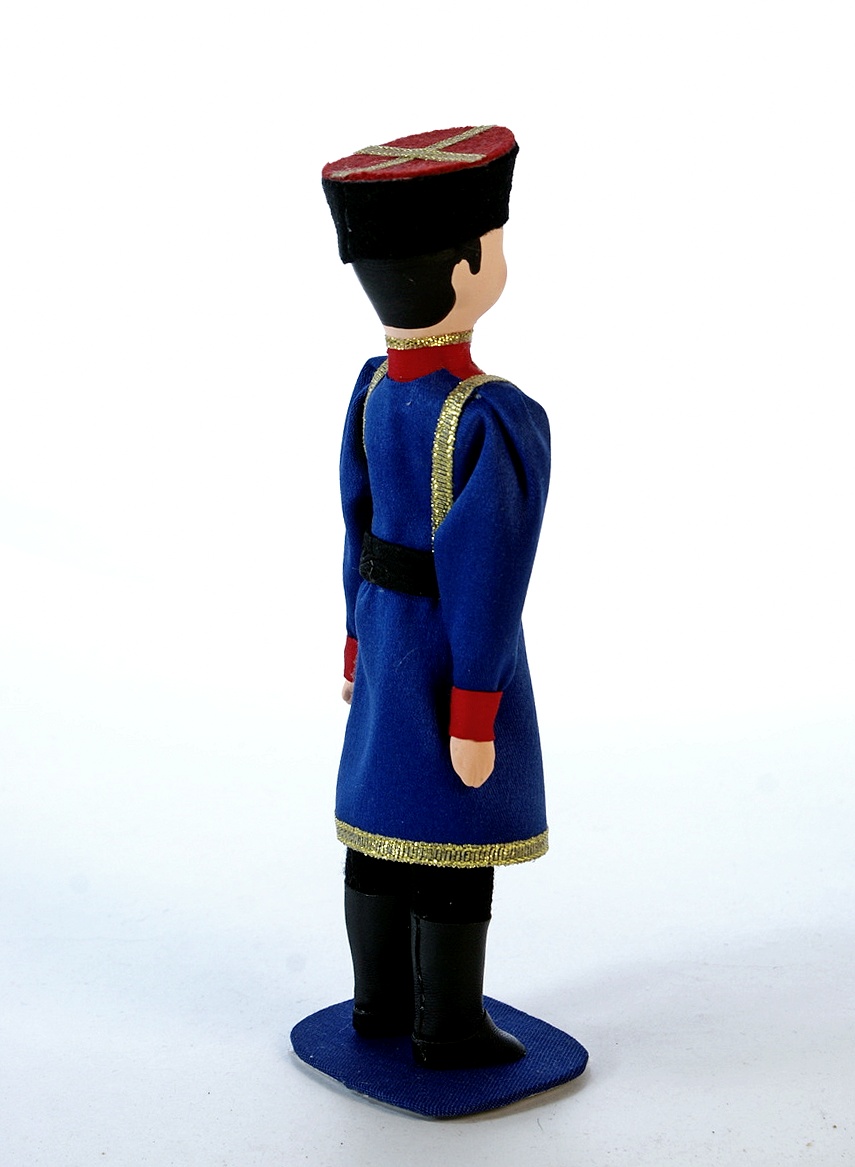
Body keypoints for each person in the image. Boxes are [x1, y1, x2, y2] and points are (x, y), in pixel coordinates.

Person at [322, 126, 550, 1070]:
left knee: (380, 820)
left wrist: (354, 643)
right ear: (464, 272)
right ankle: (445, 1026)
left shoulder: (372, 388)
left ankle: (378, 999)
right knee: (454, 830)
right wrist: (474, 708)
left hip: (384, 634)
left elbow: (353, 525)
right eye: (493, 245)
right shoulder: (493, 415)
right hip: (450, 648)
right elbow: (488, 578)